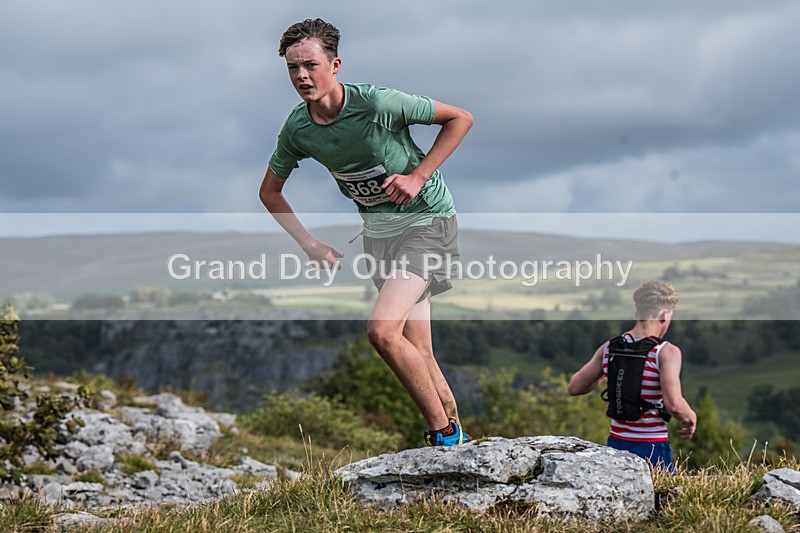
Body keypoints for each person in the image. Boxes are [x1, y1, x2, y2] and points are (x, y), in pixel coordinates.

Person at [259, 19, 473, 446]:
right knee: (419, 350)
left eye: (310, 65)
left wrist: (416, 176)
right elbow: (270, 192)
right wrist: (309, 243)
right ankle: (460, 441)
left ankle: (441, 435)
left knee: (381, 330)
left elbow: (460, 119)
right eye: (292, 69)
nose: (301, 76)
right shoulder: (298, 129)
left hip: (428, 222)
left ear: (335, 64)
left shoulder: (377, 104)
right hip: (379, 235)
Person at [567, 281, 697, 472]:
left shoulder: (610, 348)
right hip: (652, 448)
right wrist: (691, 418)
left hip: (616, 446)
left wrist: (608, 372)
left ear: (638, 313)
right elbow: (675, 405)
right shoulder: (666, 352)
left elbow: (574, 387)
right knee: (665, 500)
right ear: (664, 315)